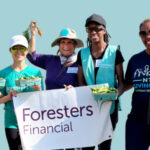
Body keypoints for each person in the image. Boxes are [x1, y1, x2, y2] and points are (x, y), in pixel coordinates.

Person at [27, 21, 84, 148]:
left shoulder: (82, 63)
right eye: (63, 42)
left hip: (71, 115)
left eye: (69, 42)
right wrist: (33, 35)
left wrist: (75, 90)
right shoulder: (50, 60)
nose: (66, 45)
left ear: (75, 45)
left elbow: (86, 86)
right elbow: (32, 56)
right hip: (51, 113)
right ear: (58, 45)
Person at [77, 14, 124, 150]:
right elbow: (80, 81)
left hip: (109, 108)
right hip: (89, 108)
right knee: (87, 146)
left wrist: (115, 94)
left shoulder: (114, 52)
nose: (93, 32)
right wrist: (87, 95)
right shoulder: (83, 53)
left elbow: (121, 81)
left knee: (104, 147)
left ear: (104, 30)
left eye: (97, 29)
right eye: (89, 29)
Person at [0, 35, 43, 150]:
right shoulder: (3, 74)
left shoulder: (36, 72)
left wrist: (38, 89)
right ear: (10, 51)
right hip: (11, 122)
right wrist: (8, 97)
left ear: (27, 51)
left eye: (22, 48)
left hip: (32, 121)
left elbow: (43, 100)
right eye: (15, 48)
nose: (18, 51)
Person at [125, 18, 150, 150]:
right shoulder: (135, 60)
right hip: (137, 120)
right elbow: (127, 83)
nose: (148, 36)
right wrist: (113, 93)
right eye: (143, 33)